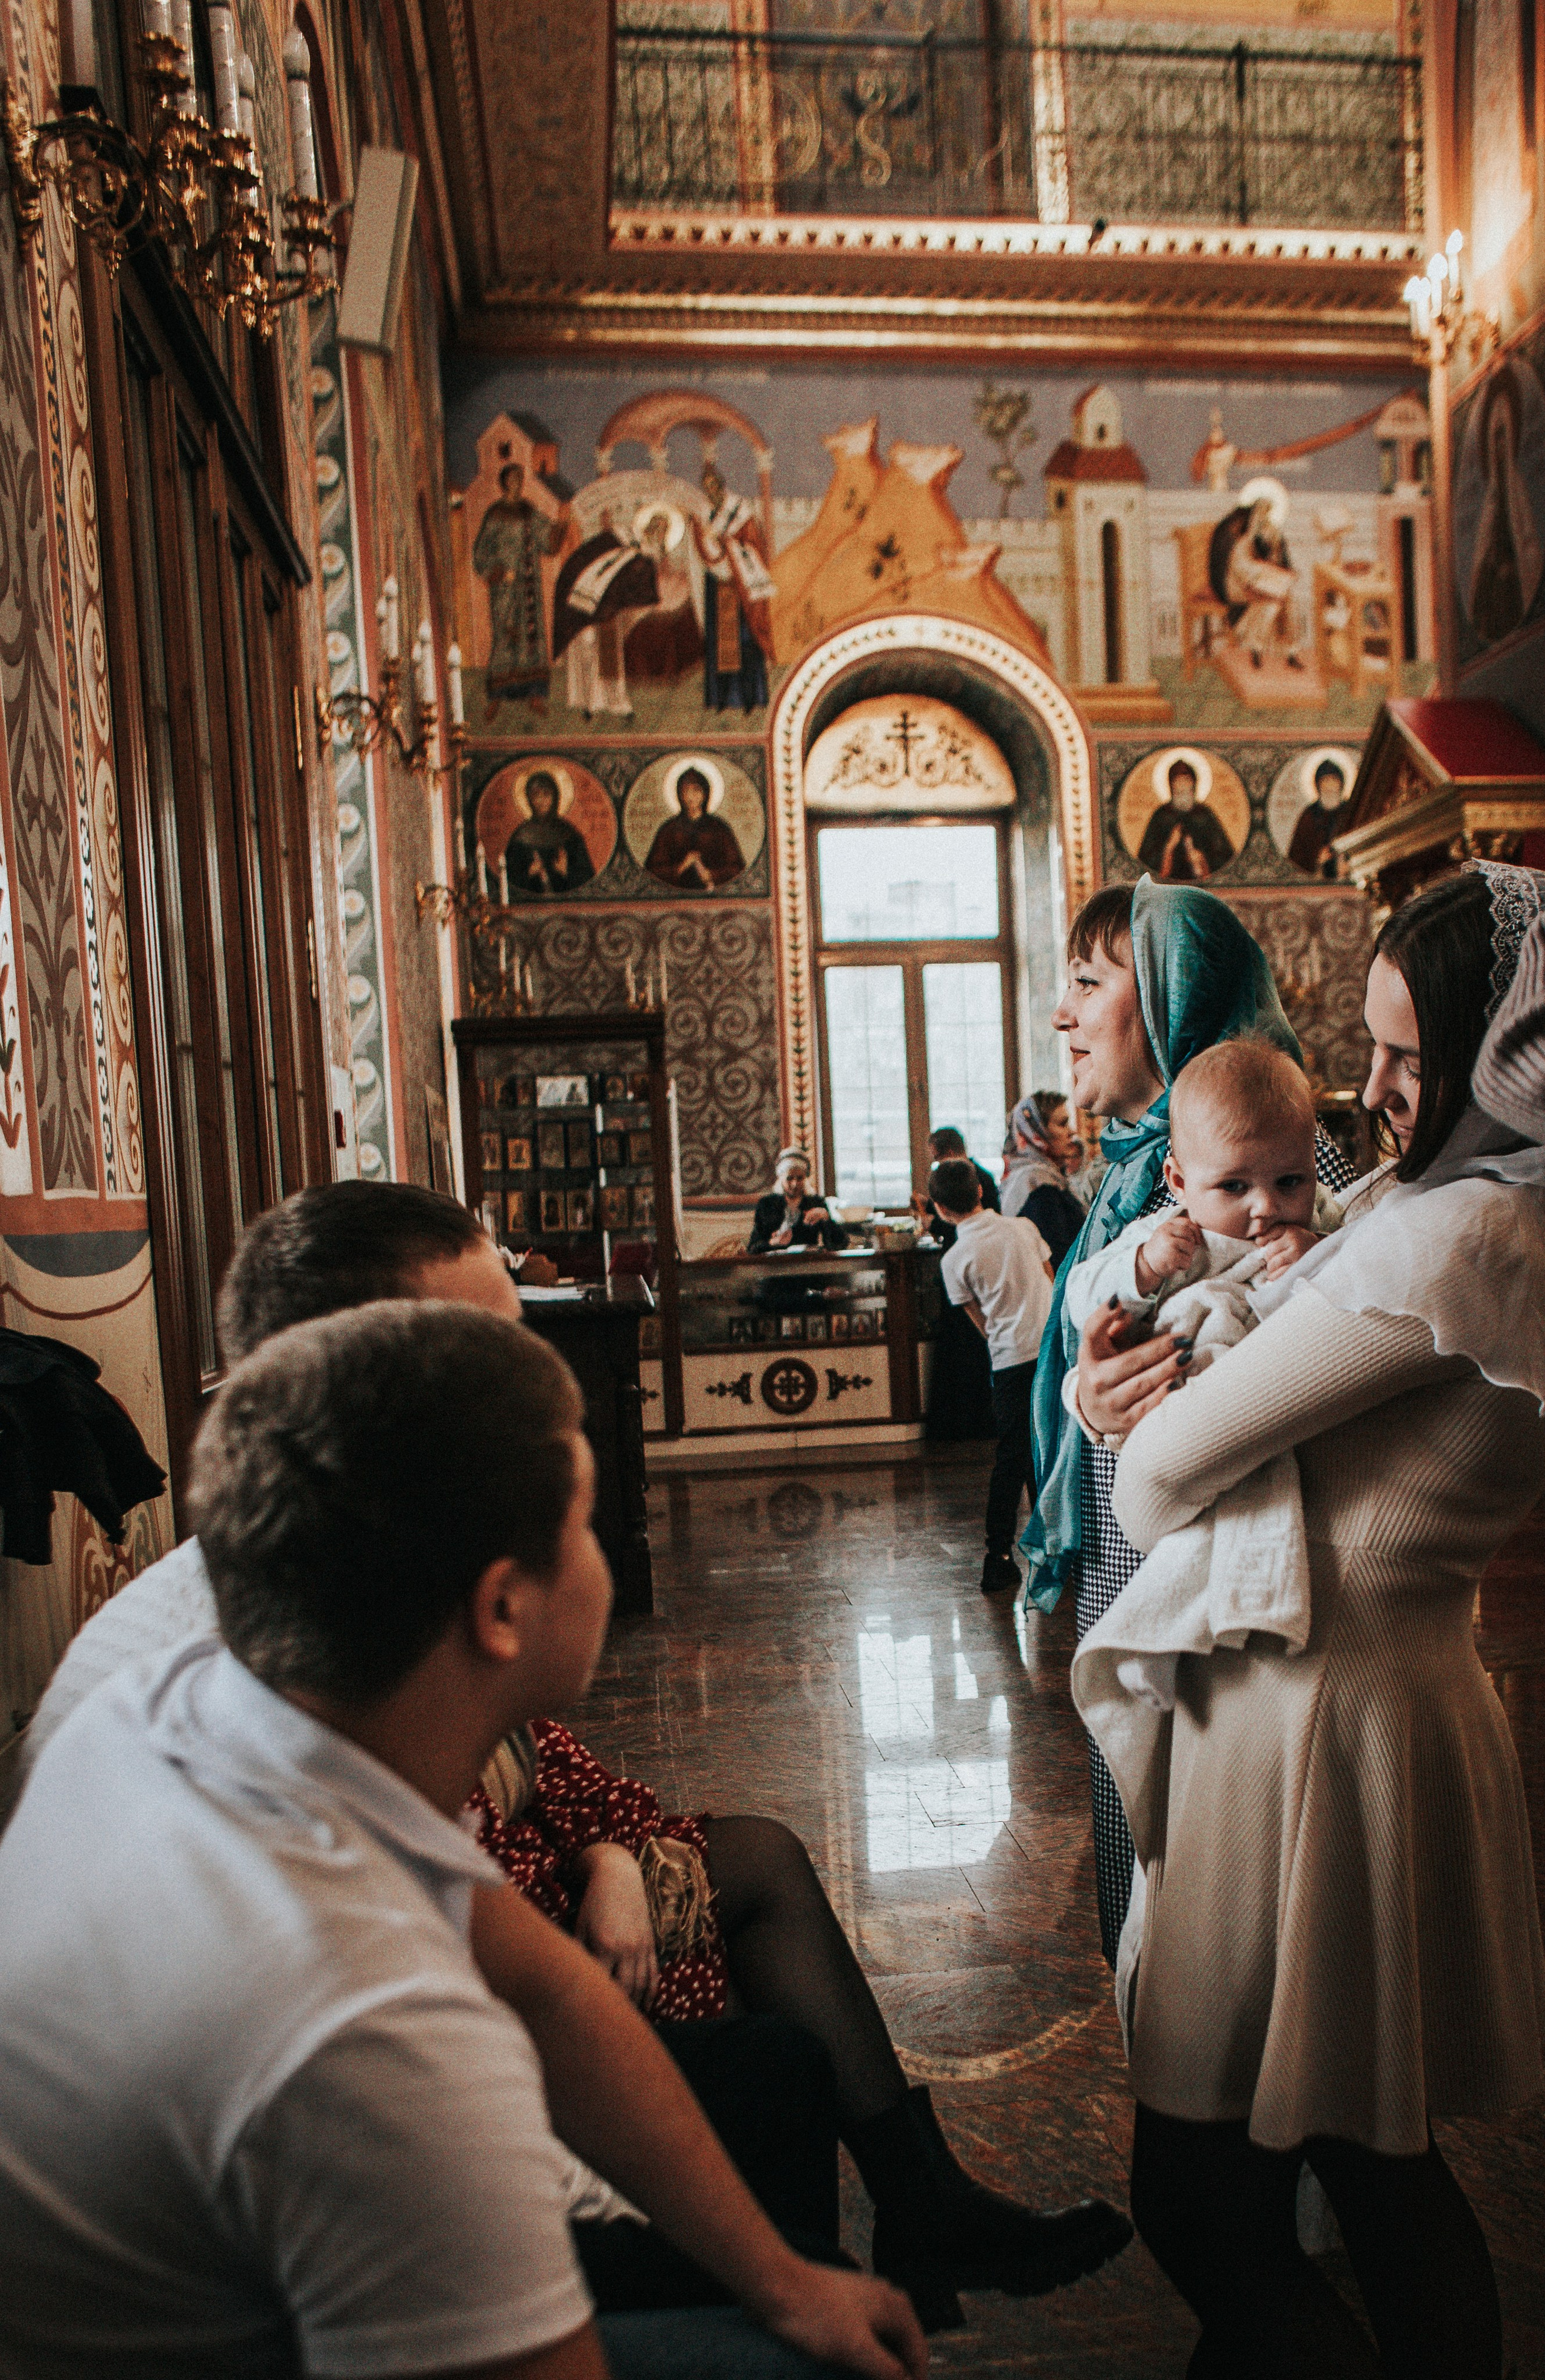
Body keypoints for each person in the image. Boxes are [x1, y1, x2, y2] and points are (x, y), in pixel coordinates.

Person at [23, 1181, 1129, 2335]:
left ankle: (910, 2214)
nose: (538, 1383)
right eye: (488, 1355)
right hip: (275, 2293)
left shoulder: (296, 1641)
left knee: (780, 2072)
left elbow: (536, 1979)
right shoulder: (328, 1926)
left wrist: (784, 2279)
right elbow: (459, 2131)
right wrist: (739, 2285)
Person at [1078, 863, 1545, 2378]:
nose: (1374, 1085)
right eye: (1373, 1042)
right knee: (1365, 2165)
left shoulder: (1456, 1237)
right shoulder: (1449, 1200)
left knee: (1210, 2190)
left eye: (1413, 1052)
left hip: (1317, 1727)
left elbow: (1153, 1480)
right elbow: (1221, 1263)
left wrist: (1121, 1415)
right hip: (1343, 1704)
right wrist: (1113, 1368)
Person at [1023, 876, 1352, 1968]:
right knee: (1153, 1888)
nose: (1061, 1015)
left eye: (1086, 982)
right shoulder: (1132, 1179)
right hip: (1138, 1560)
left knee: (1240, 1934)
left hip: (1252, 1599)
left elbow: (1337, 1367)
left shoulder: (1295, 1159)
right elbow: (1099, 1344)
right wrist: (1090, 1385)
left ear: (1171, 998)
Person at [929, 1157, 1054, 1598]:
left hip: (1009, 1358)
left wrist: (1005, 1337)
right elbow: (1049, 1280)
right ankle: (1055, 1548)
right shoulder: (1023, 1228)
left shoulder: (954, 1258)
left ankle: (998, 1557)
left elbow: (977, 1319)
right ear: (981, 1192)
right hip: (1050, 1349)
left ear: (940, 1208)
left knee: (1011, 1457)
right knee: (1050, 1451)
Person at [474, 459, 571, 706]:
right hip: (505, 586)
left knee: (532, 635)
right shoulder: (495, 514)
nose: (517, 483)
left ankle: (535, 694)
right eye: (512, 478)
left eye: (520, 478)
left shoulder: (529, 510)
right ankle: (498, 694)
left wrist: (560, 527)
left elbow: (547, 541)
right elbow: (481, 551)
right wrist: (498, 570)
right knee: (506, 633)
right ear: (504, 483)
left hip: (529, 584)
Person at [693, 462, 774, 713]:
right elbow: (701, 545)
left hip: (741, 584)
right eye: (707, 488)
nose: (711, 492)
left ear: (721, 486)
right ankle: (722, 699)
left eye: (714, 486)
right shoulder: (702, 515)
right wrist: (713, 546)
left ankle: (750, 698)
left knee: (746, 641)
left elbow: (754, 542)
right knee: (721, 644)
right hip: (718, 585)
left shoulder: (740, 510)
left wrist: (728, 544)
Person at [1209, 480, 1307, 673]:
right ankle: (1271, 651)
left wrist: (1277, 558)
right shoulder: (1237, 539)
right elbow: (1240, 573)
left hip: (1254, 580)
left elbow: (1267, 562)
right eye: (1261, 513)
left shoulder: (1265, 533)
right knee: (1277, 601)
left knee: (1281, 602)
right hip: (1235, 586)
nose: (1264, 519)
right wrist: (1261, 588)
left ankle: (1282, 651)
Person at [1000, 1090, 1087, 1267]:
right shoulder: (1039, 1186)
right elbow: (1058, 1258)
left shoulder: (1037, 1177)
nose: (1071, 1132)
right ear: (1036, 1132)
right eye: (1062, 1124)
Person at [644, 765, 747, 890]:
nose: (691, 797)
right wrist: (681, 867)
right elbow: (652, 871)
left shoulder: (719, 828)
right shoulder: (668, 830)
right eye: (686, 791)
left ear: (705, 794)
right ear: (680, 795)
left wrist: (713, 875)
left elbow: (737, 868)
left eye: (696, 791)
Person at [1135, 759, 1237, 881]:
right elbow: (1146, 860)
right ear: (1171, 786)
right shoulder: (1162, 816)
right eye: (1178, 782)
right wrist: (1169, 848)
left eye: (1187, 781)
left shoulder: (1204, 815)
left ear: (1194, 785)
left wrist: (1200, 858)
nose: (1183, 786)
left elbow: (1224, 856)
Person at [507, 770, 596, 898]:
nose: (541, 801)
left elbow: (588, 880)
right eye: (536, 795)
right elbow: (506, 880)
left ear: (556, 797)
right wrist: (529, 873)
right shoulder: (521, 836)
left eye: (546, 795)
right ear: (528, 799)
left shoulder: (569, 833)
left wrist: (566, 871)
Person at [749, 1149, 850, 1252]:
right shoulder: (767, 1204)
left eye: (800, 1178)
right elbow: (753, 1248)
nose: (795, 1184)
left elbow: (840, 1244)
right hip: (775, 1266)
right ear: (780, 1179)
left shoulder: (815, 1203)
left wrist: (826, 1218)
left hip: (807, 1264)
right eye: (790, 1178)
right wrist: (772, 1243)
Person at [1286, 756, 1349, 879]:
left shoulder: (1350, 811)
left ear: (1341, 784)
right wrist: (1317, 859)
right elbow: (1296, 857)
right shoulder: (1309, 816)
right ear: (1318, 785)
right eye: (1325, 781)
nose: (1330, 786)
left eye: (1334, 781)